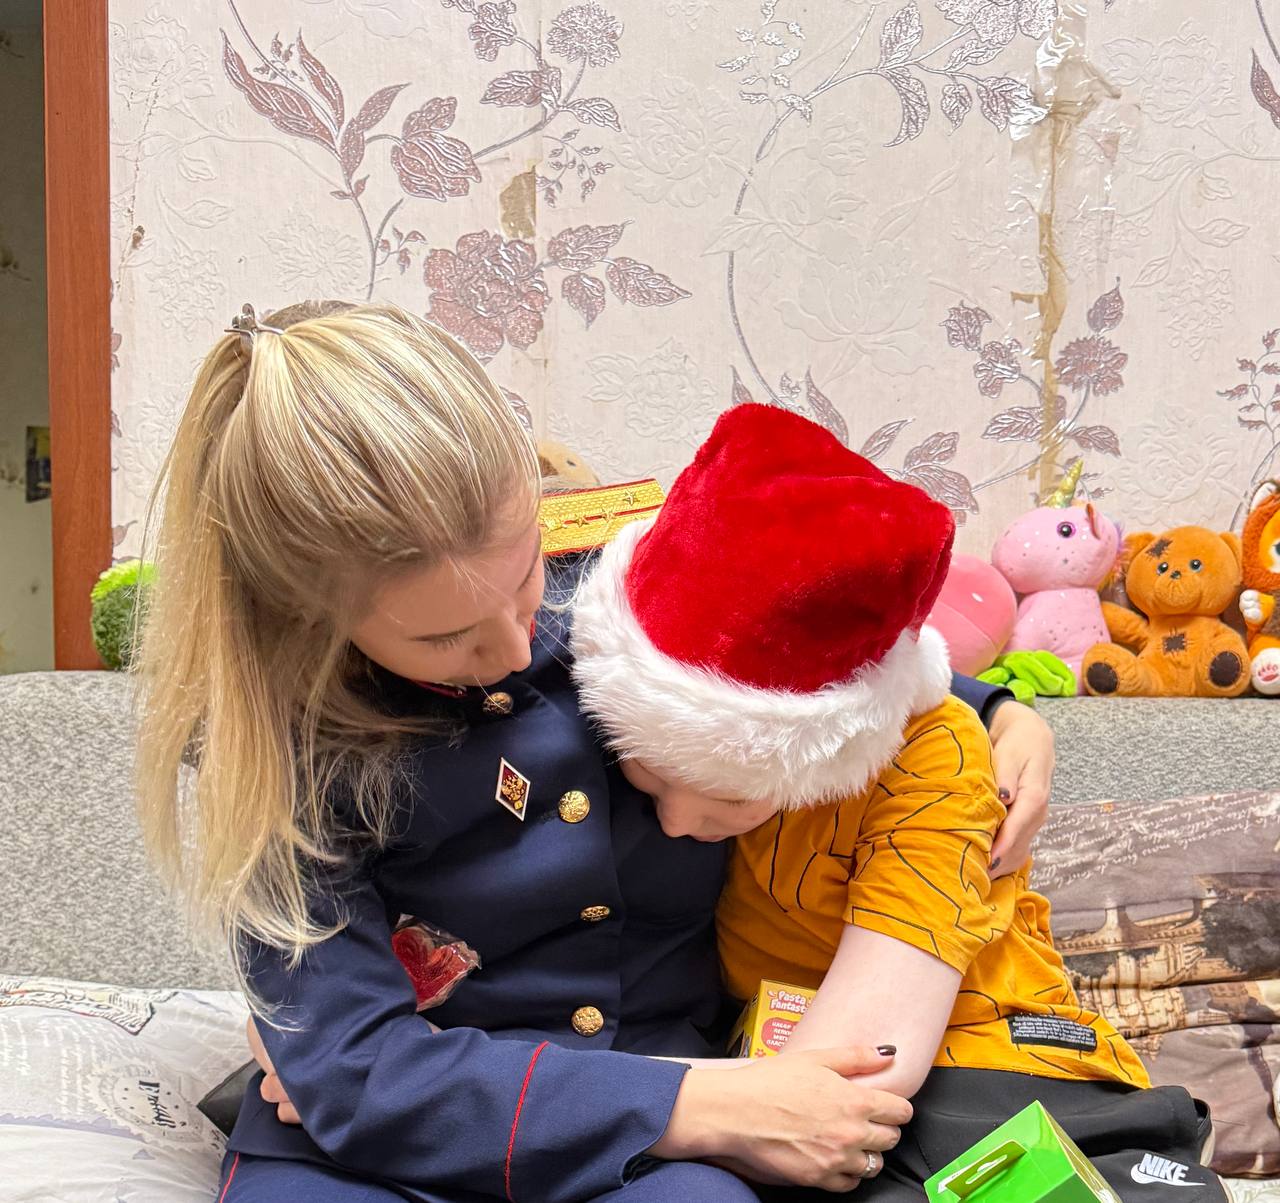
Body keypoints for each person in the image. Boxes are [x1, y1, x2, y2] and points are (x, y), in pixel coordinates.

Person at [136, 300, 1055, 1202]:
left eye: (526, 572)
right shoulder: (273, 752)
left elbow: (804, 655)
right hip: (396, 1144)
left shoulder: (603, 579)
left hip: (646, 1159)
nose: (518, 643)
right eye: (446, 637)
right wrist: (709, 1105)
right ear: (306, 618)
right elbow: (354, 1073)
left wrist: (996, 713)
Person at [570, 402, 1228, 1202]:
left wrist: (572, 1091)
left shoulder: (930, 752)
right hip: (792, 1072)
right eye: (646, 774)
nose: (677, 822)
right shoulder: (628, 682)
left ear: (826, 742)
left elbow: (862, 1064)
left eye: (733, 797)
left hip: (994, 1062)